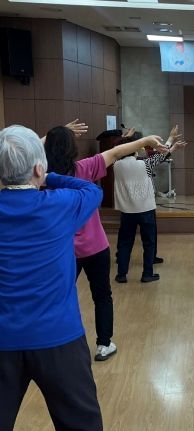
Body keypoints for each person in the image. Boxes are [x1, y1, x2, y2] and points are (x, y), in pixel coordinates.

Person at [0, 125, 110, 431]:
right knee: (80, 421)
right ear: (38, 168)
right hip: (58, 338)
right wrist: (47, 175)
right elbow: (91, 189)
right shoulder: (62, 203)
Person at [44, 125, 165, 361]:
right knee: (102, 296)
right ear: (72, 149)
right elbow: (116, 152)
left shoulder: (42, 177)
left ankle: (59, 345)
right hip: (95, 247)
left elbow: (19, 150)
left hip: (62, 251)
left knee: (60, 296)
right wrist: (145, 141)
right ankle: (104, 344)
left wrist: (50, 137)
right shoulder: (84, 168)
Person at [113, 129, 185, 283]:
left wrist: (125, 139)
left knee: (125, 243)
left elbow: (114, 151)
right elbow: (162, 155)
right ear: (134, 150)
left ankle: (121, 275)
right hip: (145, 210)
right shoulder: (144, 164)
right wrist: (170, 139)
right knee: (149, 242)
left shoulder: (116, 165)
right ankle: (147, 274)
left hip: (126, 211)